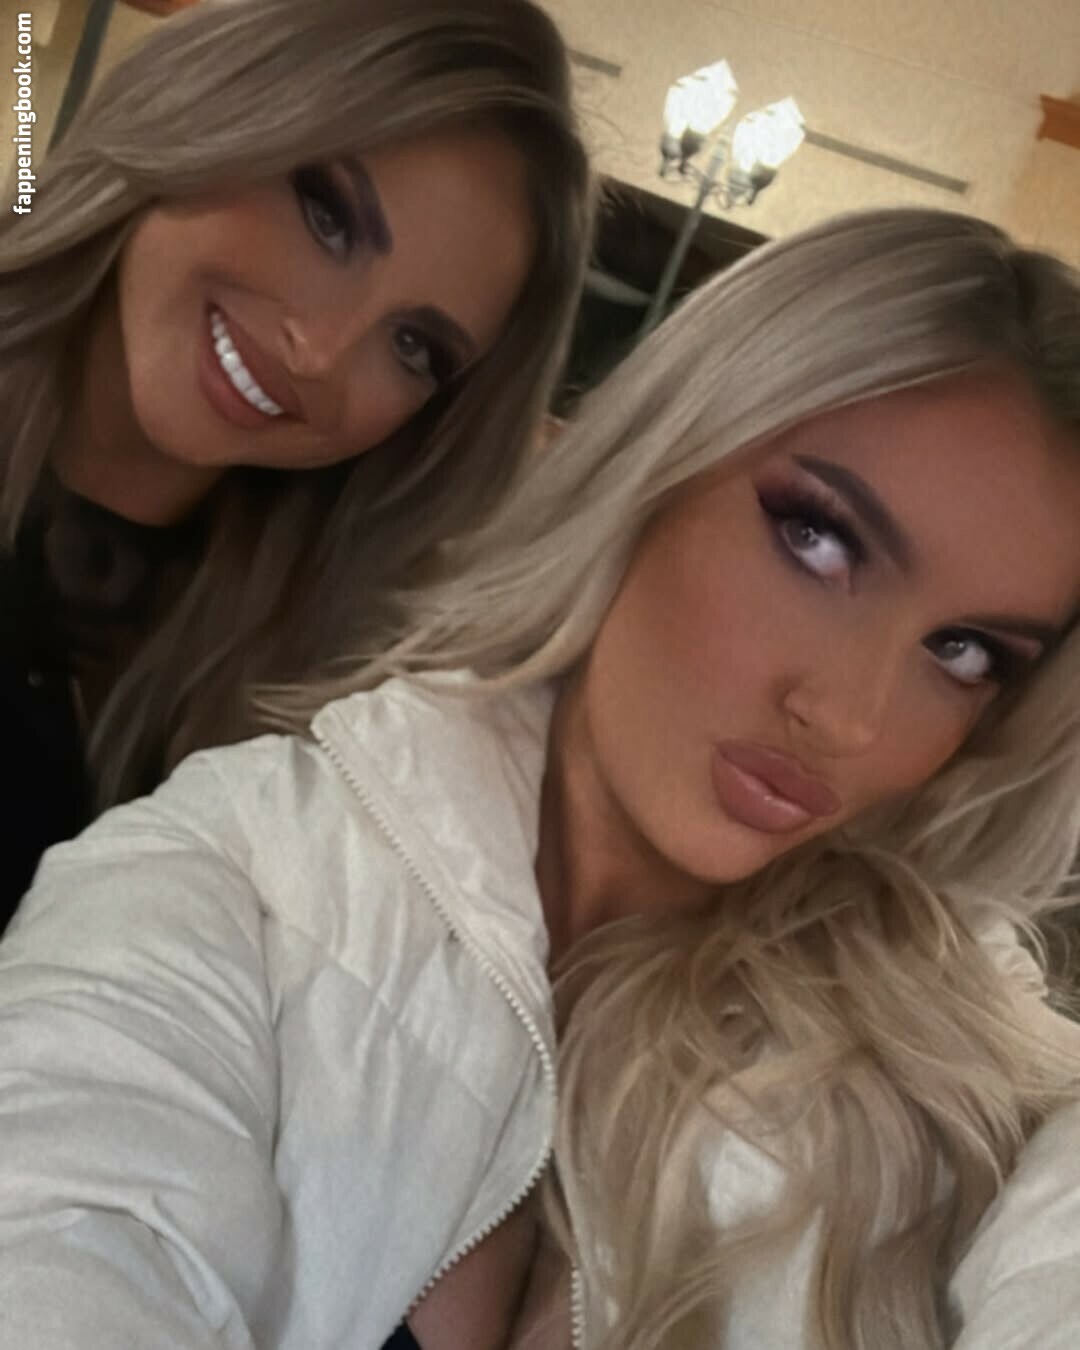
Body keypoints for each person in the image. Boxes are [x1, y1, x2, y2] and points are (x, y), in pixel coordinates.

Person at [2, 207, 1080, 1350]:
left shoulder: (977, 1087)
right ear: (654, 464)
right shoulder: (237, 879)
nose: (853, 717)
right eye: (817, 540)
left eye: (965, 652)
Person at [0, 0, 592, 921]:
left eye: (413, 346)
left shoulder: (321, 695)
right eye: (328, 217)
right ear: (214, 109)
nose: (318, 353)